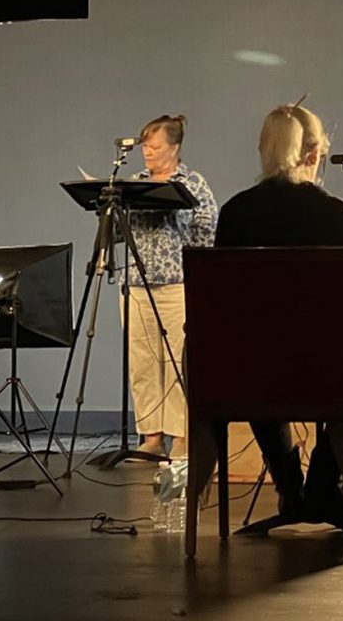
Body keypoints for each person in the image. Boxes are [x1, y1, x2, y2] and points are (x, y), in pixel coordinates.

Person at [212, 103, 343, 535]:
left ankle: (289, 487)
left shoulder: (235, 214)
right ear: (314, 155)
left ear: (263, 151)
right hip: (327, 373)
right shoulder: (338, 218)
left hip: (248, 376)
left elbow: (230, 305)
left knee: (260, 361)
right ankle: (322, 487)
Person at [126, 114, 217, 459]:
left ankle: (181, 437)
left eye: (155, 145)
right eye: (145, 145)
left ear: (174, 147)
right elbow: (121, 232)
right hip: (137, 283)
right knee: (143, 363)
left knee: (179, 360)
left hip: (178, 284)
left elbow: (208, 229)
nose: (147, 152)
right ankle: (151, 437)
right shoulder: (133, 182)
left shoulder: (192, 182)